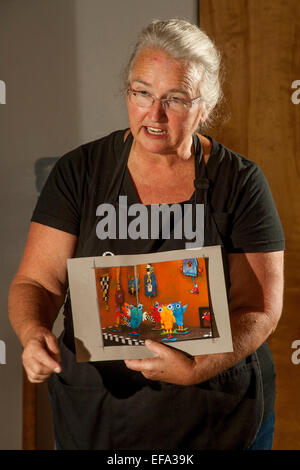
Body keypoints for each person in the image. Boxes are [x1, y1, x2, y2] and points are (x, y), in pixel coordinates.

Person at [8, 19, 284, 450]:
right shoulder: (80, 171)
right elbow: (38, 282)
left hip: (215, 407)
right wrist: (32, 331)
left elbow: (260, 308)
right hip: (103, 407)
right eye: (142, 93)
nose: (154, 114)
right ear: (128, 93)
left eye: (174, 99)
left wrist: (198, 368)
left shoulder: (241, 181)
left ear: (204, 106)